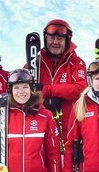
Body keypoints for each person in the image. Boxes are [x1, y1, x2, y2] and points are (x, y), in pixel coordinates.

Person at [31, 19, 88, 148]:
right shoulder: (36, 63)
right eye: (51, 38)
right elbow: (24, 92)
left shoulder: (76, 63)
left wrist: (47, 91)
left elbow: (81, 89)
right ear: (46, 39)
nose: (55, 42)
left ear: (67, 41)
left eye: (60, 38)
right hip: (40, 128)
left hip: (70, 126)